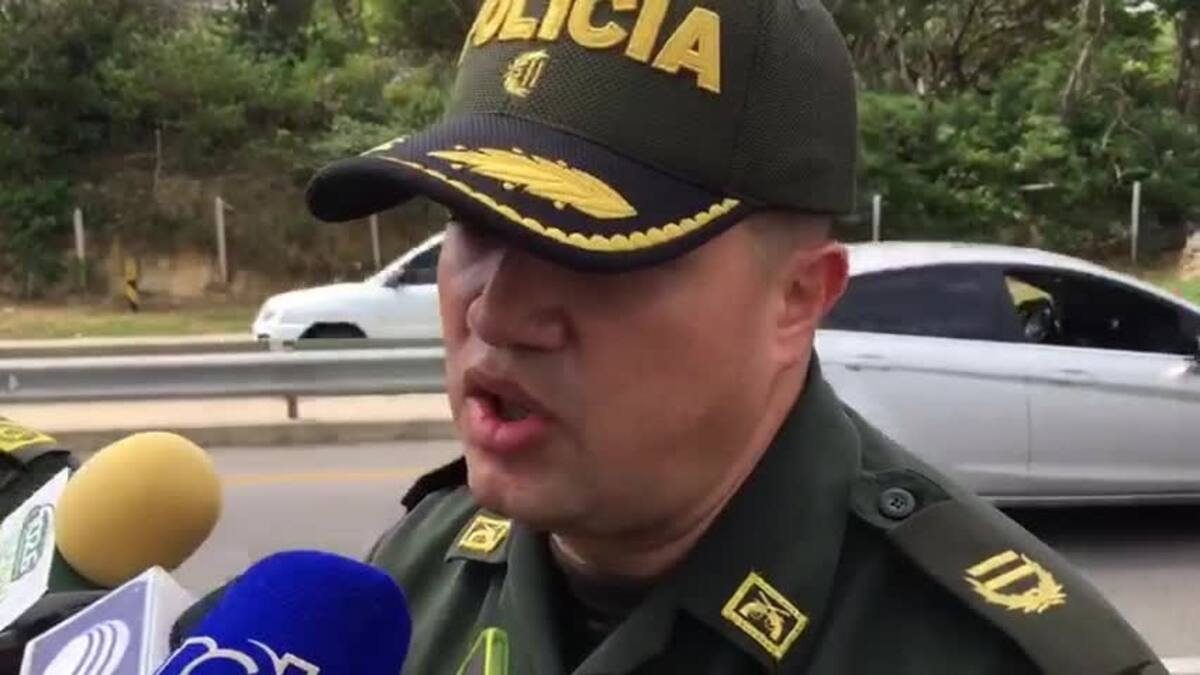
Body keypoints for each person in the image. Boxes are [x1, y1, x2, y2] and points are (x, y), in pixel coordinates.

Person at [310, 0, 1164, 673]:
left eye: (587, 250)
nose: (495, 314)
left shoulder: (993, 655)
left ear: (796, 299)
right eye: (471, 223)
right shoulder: (400, 582)